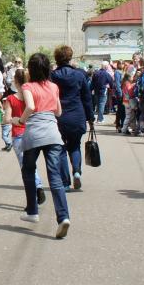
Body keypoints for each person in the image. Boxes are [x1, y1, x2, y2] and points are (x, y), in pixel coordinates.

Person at [16, 53, 71, 239]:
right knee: (55, 177)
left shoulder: (27, 86)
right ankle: (63, 217)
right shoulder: (54, 86)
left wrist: (20, 120)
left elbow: (30, 106)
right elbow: (58, 111)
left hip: (34, 134)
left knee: (28, 170)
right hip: (53, 134)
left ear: (30, 69)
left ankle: (32, 211)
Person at [50, 45, 93, 189]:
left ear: (57, 58)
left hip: (58, 117)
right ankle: (77, 172)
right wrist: (91, 119)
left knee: (60, 149)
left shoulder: (52, 76)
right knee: (75, 146)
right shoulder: (79, 75)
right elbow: (87, 99)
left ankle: (65, 182)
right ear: (70, 57)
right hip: (77, 115)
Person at [2, 67, 45, 205]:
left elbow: (6, 119)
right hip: (33, 133)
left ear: (15, 81)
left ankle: (36, 189)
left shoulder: (10, 99)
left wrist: (12, 119)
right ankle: (37, 187)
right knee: (32, 163)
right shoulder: (32, 96)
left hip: (19, 134)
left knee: (25, 166)